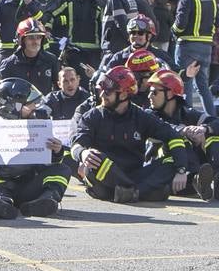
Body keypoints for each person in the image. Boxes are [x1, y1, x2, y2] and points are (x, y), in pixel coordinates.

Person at [70, 65, 189, 203]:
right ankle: (138, 191)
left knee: (171, 161)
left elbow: (173, 136)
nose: (102, 95)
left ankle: (130, 192)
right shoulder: (92, 116)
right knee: (95, 159)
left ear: (124, 94)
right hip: (104, 180)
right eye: (102, 90)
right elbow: (76, 144)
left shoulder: (141, 116)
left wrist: (181, 170)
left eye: (108, 92)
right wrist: (82, 154)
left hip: (135, 174)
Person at [0, 78, 71, 219]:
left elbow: (46, 162)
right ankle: (1, 205)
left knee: (62, 169)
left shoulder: (36, 127)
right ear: (13, 106)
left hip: (26, 185)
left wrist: (56, 152)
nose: (35, 107)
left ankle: (45, 201)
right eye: (30, 104)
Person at [146, 68, 218, 201]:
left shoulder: (186, 113)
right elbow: (165, 130)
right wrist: (184, 131)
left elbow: (215, 122)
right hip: (167, 172)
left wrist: (204, 129)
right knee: (178, 139)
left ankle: (215, 177)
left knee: (214, 137)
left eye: (154, 92)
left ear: (170, 94)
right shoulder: (148, 115)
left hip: (189, 172)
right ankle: (196, 180)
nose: (149, 96)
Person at [171, 0, 218, 117]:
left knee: (185, 84)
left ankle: (187, 119)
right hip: (206, 47)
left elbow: (180, 24)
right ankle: (211, 120)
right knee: (203, 87)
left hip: (187, 46)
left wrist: (173, 31)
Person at [52, 0, 104, 79]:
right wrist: (46, 29)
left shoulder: (100, 4)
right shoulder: (68, 1)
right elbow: (50, 14)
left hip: (94, 53)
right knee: (74, 80)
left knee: (94, 81)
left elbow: (105, 28)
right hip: (74, 51)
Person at [0, 18, 59, 96]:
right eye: (31, 38)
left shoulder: (51, 60)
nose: (35, 42)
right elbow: (2, 94)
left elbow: (58, 90)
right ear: (21, 40)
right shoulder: (8, 64)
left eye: (38, 37)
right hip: (19, 107)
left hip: (45, 107)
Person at [102, 14, 175, 72]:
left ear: (149, 36)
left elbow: (175, 72)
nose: (136, 36)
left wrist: (185, 73)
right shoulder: (119, 57)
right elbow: (108, 73)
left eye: (140, 33)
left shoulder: (159, 55)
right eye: (133, 33)